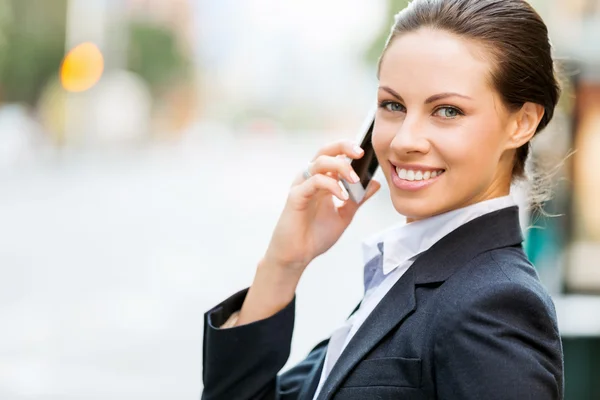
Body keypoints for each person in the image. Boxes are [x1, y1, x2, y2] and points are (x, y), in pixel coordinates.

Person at [201, 0, 564, 398]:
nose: (404, 140)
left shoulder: (494, 306)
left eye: (447, 110)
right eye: (393, 105)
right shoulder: (408, 278)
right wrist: (284, 263)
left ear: (522, 122)